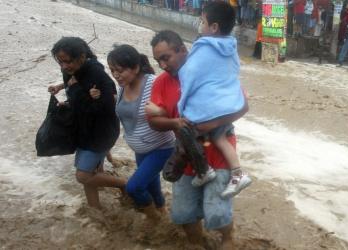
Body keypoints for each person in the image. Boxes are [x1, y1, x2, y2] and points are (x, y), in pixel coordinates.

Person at [147, 29, 248, 250]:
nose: (163, 65)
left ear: (183, 50)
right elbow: (153, 120)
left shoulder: (211, 70)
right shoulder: (161, 83)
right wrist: (174, 123)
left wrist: (211, 125)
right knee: (184, 212)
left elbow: (243, 106)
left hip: (219, 152)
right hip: (186, 155)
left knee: (218, 212)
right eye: (158, 61)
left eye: (166, 58)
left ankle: (228, 238)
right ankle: (196, 243)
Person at [91, 44, 175, 223]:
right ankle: (161, 209)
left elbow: (176, 106)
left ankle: (154, 221)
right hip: (140, 150)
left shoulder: (154, 83)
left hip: (161, 147)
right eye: (112, 70)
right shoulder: (123, 86)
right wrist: (101, 97)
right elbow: (124, 109)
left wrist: (160, 112)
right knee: (152, 185)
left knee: (134, 187)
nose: (115, 75)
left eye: (119, 70)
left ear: (136, 67)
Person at [176, 2, 251, 198]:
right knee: (219, 138)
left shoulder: (204, 48)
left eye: (203, 21)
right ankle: (237, 174)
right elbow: (231, 72)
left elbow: (189, 74)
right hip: (228, 104)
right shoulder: (231, 46)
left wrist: (183, 102)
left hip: (210, 108)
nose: (200, 25)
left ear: (214, 27)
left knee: (186, 131)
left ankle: (203, 170)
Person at [48, 37, 125, 209]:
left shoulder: (97, 75)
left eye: (67, 61)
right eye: (60, 62)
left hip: (100, 132)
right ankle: (95, 211)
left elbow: (107, 107)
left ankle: (126, 185)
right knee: (93, 174)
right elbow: (77, 92)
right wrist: (65, 91)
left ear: (81, 57)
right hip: (84, 129)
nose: (64, 66)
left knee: (83, 175)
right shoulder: (72, 71)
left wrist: (75, 92)